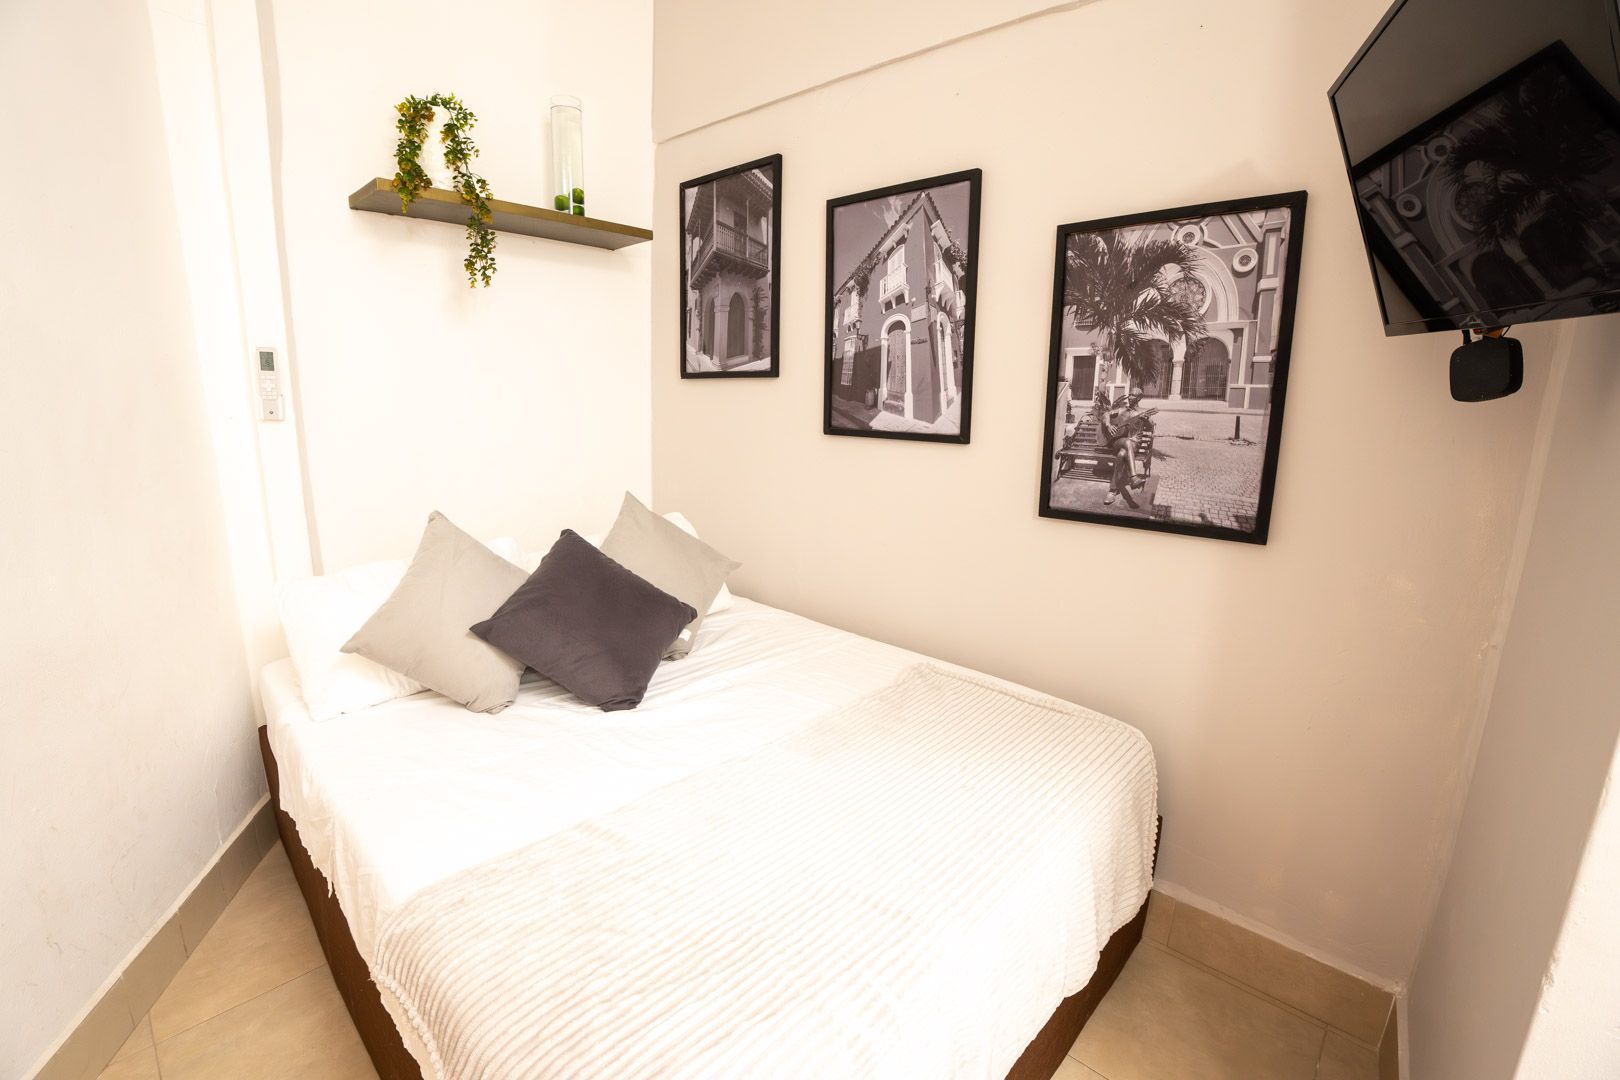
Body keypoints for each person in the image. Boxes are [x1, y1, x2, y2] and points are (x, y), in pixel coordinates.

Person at [1097, 391, 1148, 505]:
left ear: (1139, 398)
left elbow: (1151, 426)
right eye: (1130, 394)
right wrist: (1109, 425)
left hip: (1135, 442)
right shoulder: (1122, 409)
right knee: (1126, 442)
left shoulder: (1143, 412)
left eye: (1133, 395)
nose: (1130, 397)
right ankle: (1134, 477)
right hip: (1118, 441)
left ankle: (1113, 491)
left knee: (1121, 454)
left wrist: (1147, 420)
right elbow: (1105, 414)